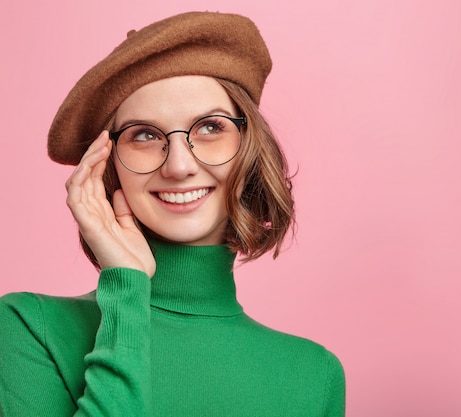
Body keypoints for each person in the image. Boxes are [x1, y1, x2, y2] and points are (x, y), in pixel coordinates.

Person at [0, 12, 345, 416]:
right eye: (144, 135)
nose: (179, 166)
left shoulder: (314, 375)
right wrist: (127, 292)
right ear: (107, 165)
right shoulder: (31, 328)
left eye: (210, 128)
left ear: (250, 147)